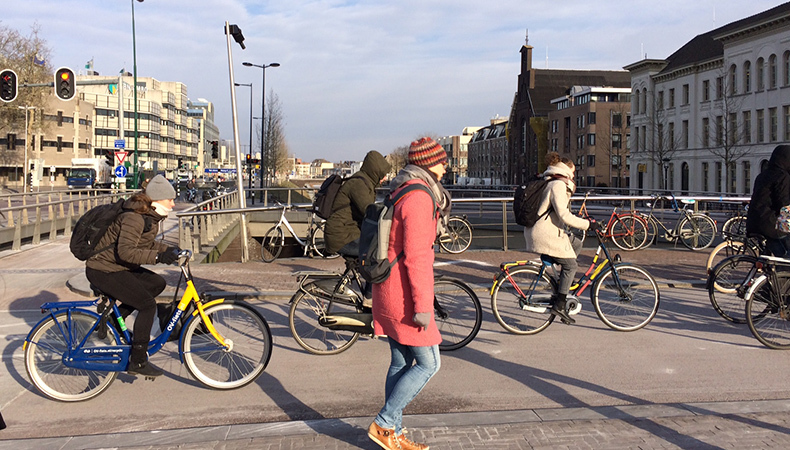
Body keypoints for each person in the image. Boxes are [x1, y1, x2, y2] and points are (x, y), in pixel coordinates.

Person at [367, 137, 451, 450]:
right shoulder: (419, 198)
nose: (446, 167)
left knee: (401, 364)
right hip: (403, 296)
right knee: (429, 364)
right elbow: (417, 258)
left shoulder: (401, 189)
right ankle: (385, 423)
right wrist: (423, 307)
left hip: (387, 289)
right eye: (442, 161)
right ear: (429, 163)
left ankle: (393, 434)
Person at [85, 174, 180, 378]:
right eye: (170, 199)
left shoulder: (149, 217)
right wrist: (158, 257)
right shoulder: (134, 218)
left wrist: (170, 250)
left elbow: (145, 244)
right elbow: (127, 252)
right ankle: (137, 360)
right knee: (147, 305)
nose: (173, 204)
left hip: (117, 267)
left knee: (156, 283)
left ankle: (111, 321)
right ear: (157, 199)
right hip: (103, 270)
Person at [524, 152, 597, 325]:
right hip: (545, 233)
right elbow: (563, 214)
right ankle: (560, 303)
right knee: (571, 265)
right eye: (573, 173)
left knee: (576, 243)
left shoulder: (549, 180)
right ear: (568, 170)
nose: (574, 176)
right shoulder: (557, 184)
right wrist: (588, 224)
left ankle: (562, 283)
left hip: (540, 230)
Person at [324, 150, 392, 256]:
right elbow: (369, 211)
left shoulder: (364, 182)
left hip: (347, 231)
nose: (384, 178)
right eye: (382, 174)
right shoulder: (359, 184)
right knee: (379, 250)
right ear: (375, 171)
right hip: (341, 236)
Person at [746, 144, 790, 257]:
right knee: (785, 257)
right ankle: (784, 271)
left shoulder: (763, 175)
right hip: (769, 224)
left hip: (754, 222)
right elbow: (784, 204)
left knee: (774, 257)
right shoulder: (782, 176)